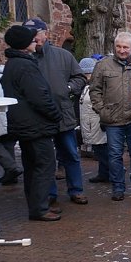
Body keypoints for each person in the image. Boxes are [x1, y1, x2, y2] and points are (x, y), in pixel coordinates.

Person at [23, 18, 87, 207]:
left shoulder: (63, 56)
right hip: (38, 117)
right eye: (30, 35)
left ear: (46, 33)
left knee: (70, 154)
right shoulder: (25, 58)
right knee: (44, 158)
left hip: (62, 114)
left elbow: (80, 78)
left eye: (37, 34)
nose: (35, 39)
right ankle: (49, 193)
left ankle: (76, 190)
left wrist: (67, 88)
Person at [1, 25, 62, 221]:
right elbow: (39, 96)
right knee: (43, 165)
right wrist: (55, 114)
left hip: (26, 125)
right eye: (32, 39)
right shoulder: (24, 65)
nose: (36, 41)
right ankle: (40, 208)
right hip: (35, 125)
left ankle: (38, 205)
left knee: (33, 166)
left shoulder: (14, 63)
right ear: (24, 44)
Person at [89, 31, 131, 201]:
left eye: (125, 47)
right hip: (112, 118)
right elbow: (95, 89)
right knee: (114, 154)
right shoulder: (103, 65)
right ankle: (118, 187)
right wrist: (101, 109)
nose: (122, 50)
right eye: (119, 46)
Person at [77, 57, 109, 184]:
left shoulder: (98, 87)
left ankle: (111, 172)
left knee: (103, 150)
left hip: (97, 123)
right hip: (89, 123)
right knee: (98, 150)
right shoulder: (84, 86)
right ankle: (103, 173)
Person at [0, 60, 22, 185]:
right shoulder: (4, 74)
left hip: (0, 114)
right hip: (10, 114)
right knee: (7, 143)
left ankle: (11, 168)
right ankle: (11, 174)